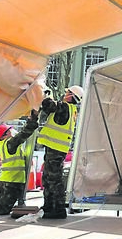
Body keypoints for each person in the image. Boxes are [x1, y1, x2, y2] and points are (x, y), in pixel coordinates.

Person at [9, 85, 82, 219]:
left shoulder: (64, 107)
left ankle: (58, 209)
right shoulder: (70, 110)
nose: (64, 94)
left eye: (67, 92)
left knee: (54, 179)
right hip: (56, 148)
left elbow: (48, 104)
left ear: (71, 96)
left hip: (56, 149)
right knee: (48, 179)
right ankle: (49, 206)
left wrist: (44, 93)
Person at [0, 115, 38, 216]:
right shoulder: (10, 143)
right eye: (9, 131)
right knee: (3, 210)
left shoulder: (7, 144)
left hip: (11, 181)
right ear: (4, 135)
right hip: (11, 182)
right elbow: (23, 134)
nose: (12, 132)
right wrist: (32, 121)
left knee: (4, 208)